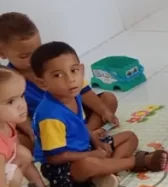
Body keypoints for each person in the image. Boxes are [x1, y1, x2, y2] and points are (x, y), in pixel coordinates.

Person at [31, 42, 168, 187]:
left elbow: (80, 126)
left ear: (81, 70)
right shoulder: (50, 116)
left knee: (129, 137)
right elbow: (54, 158)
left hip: (84, 148)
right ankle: (135, 162)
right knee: (87, 164)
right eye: (58, 75)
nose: (70, 79)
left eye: (74, 71)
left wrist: (96, 142)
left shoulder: (72, 93)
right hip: (63, 167)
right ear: (42, 83)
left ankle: (108, 169)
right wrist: (90, 154)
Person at [0, 12, 120, 151]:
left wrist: (104, 111)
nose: (34, 58)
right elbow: (17, 113)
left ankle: (86, 132)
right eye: (24, 56)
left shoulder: (52, 64)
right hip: (47, 127)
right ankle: (81, 136)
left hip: (72, 116)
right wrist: (30, 131)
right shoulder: (9, 81)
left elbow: (82, 90)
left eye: (37, 50)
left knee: (108, 100)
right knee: (15, 139)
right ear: (2, 53)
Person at [0, 68, 46, 187]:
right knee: (14, 175)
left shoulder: (7, 122)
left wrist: (36, 182)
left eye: (22, 96)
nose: (21, 105)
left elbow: (16, 151)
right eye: (11, 101)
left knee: (22, 154)